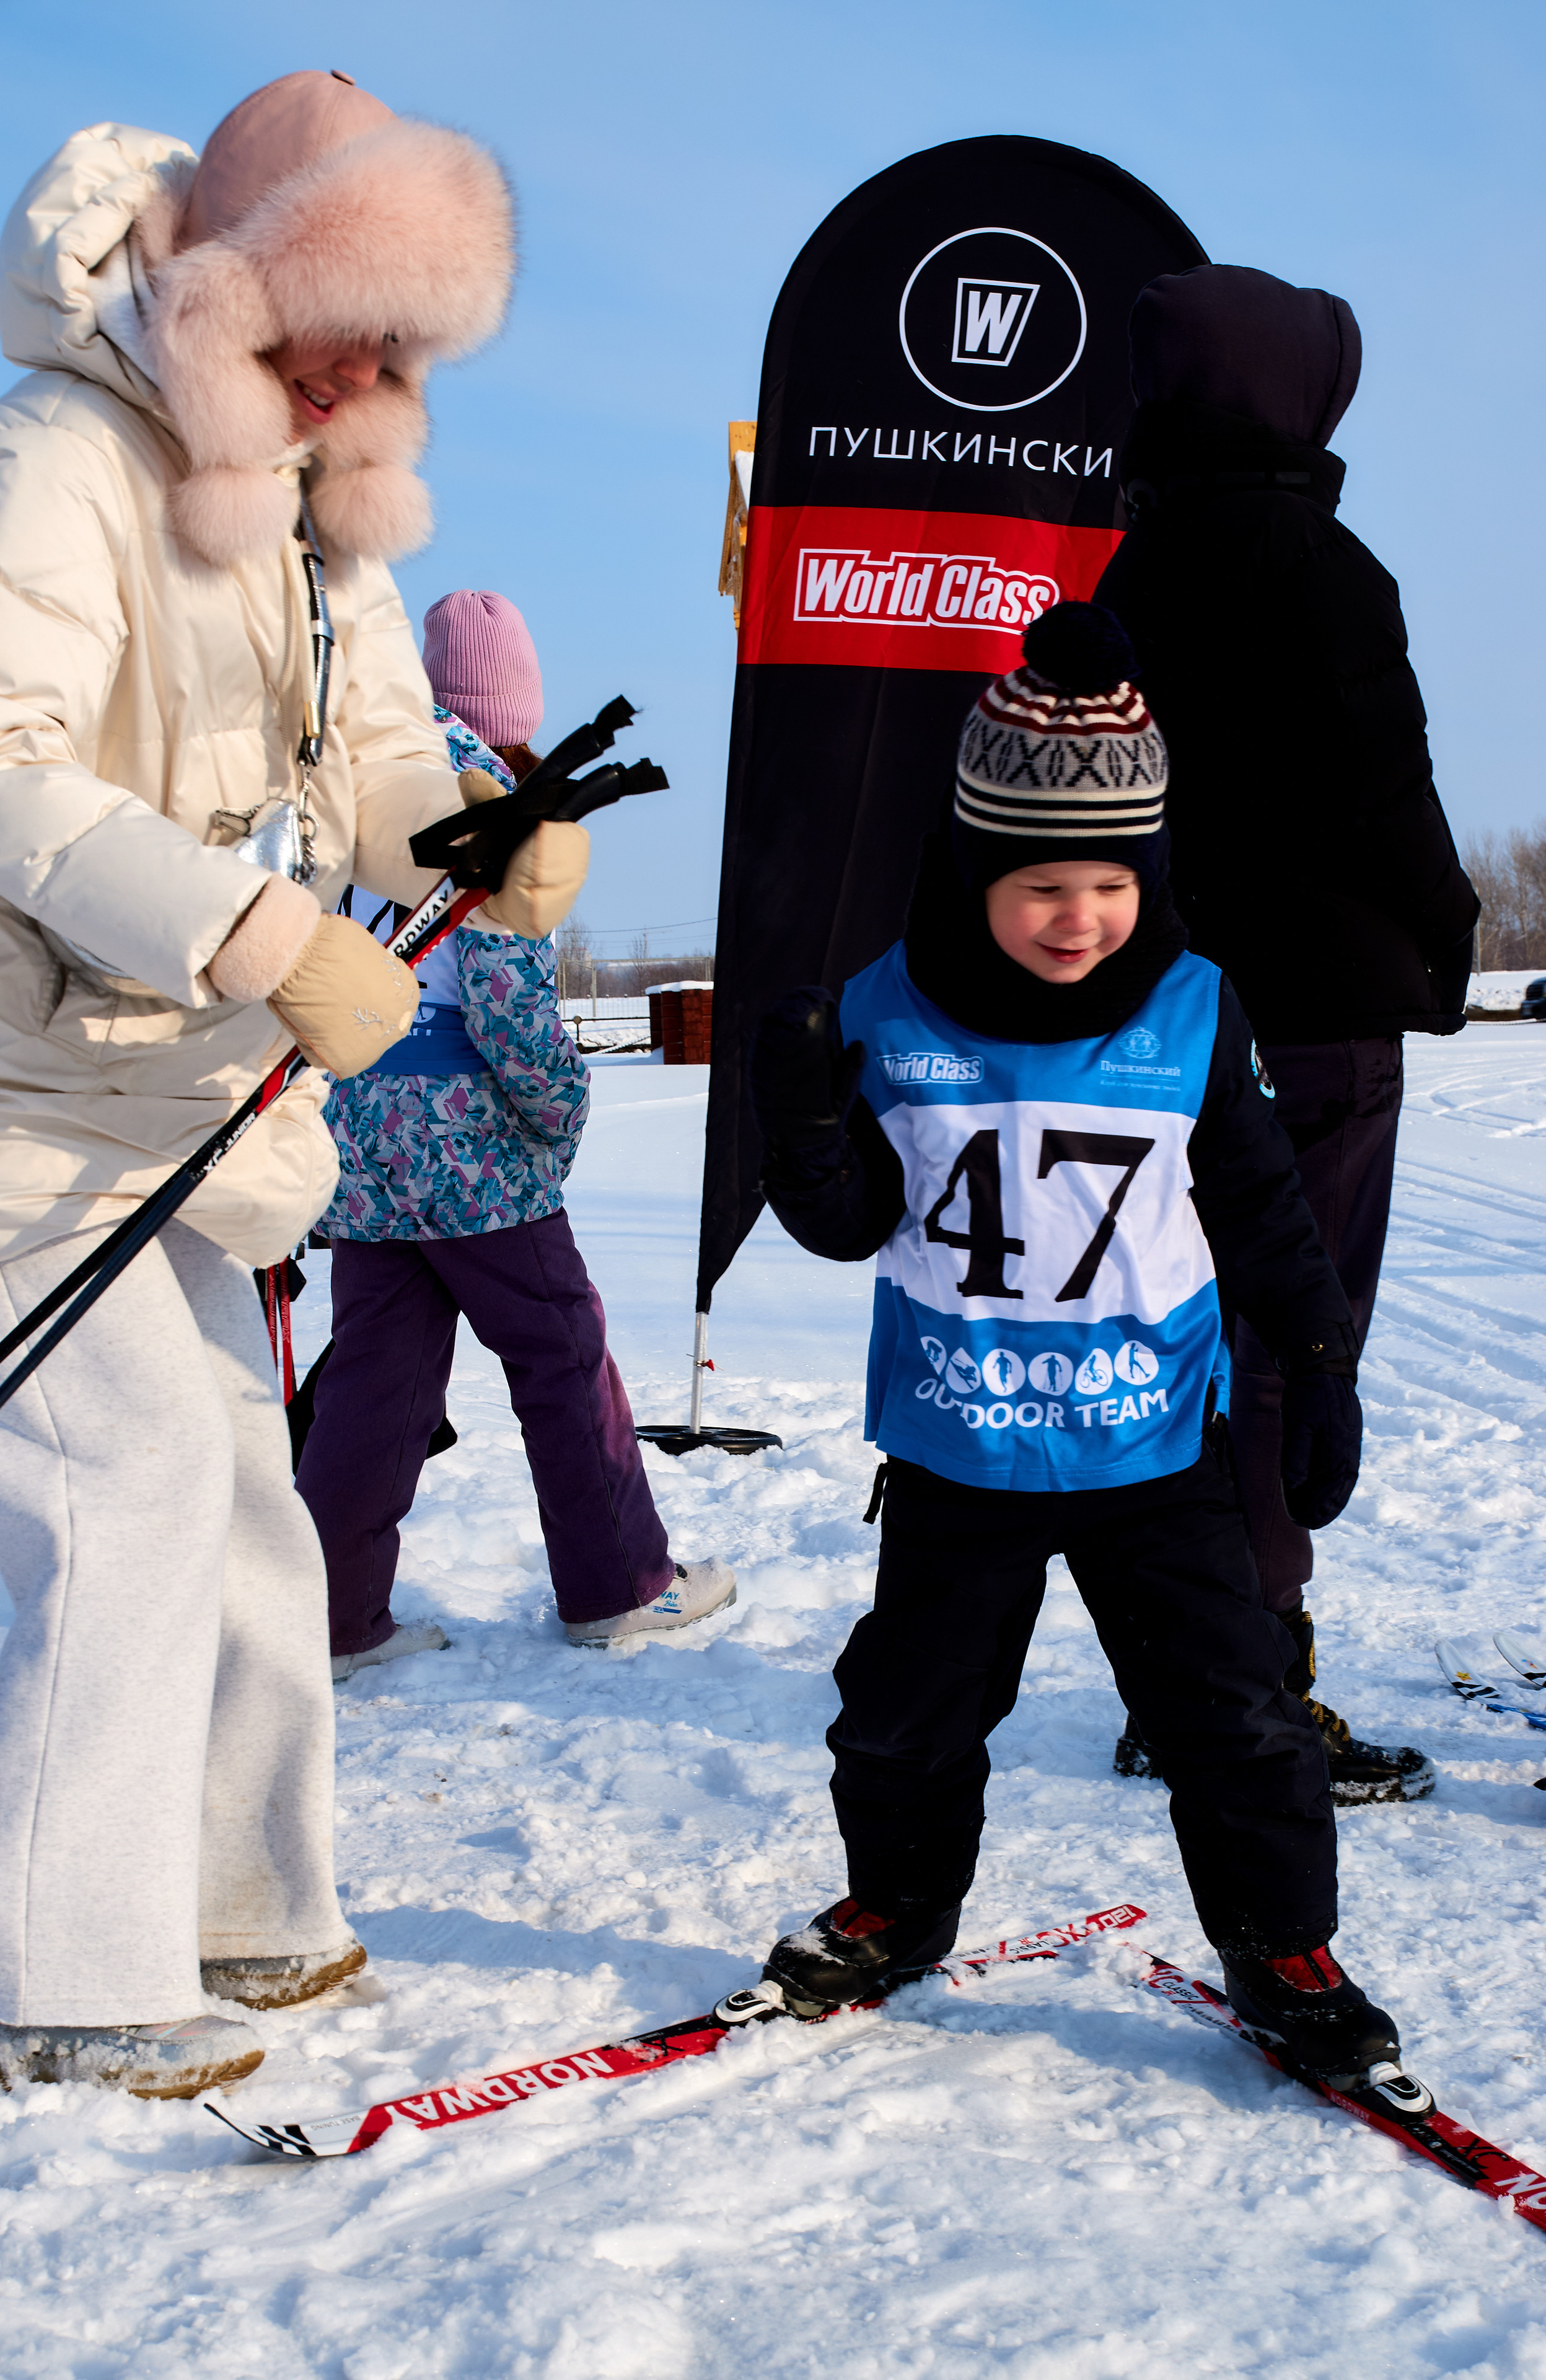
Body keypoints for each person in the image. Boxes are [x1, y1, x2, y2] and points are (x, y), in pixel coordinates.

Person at [0, 71, 570, 2096]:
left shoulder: (328, 516)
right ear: (234, 292)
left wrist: (473, 841)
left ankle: (237, 1905)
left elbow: (382, 765)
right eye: (351, 324)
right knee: (122, 1489)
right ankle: (57, 1977)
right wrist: (254, 936)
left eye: (406, 339)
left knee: (242, 1506)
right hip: (2, 1105)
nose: (377, 374)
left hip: (179, 1118)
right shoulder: (59, 456)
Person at [740, 601, 1430, 2107]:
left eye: (1111, 881)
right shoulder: (888, 1009)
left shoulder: (1190, 1011)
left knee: (1233, 1717)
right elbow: (846, 1222)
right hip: (953, 1450)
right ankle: (898, 1905)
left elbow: (1259, 1208)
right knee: (905, 1714)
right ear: (978, 868)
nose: (1077, 916)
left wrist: (1317, 1356)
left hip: (1150, 1450)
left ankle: (1280, 1947)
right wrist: (799, 1113)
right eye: (1042, 882)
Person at [1092, 265, 1478, 1806]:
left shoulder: (1128, 569)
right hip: (1311, 1029)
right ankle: (1239, 1689)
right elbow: (1385, 786)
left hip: (1164, 1019)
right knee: (1286, 1345)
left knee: (1189, 1343)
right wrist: (1444, 937)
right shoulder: (1320, 565)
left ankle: (1187, 1672)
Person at [297, 588, 736, 1658]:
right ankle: (620, 1587)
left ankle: (330, 1620)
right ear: (514, 703)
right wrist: (559, 1110)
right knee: (561, 1358)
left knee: (374, 1377)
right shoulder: (486, 793)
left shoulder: (351, 782)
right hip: (474, 1153)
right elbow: (505, 995)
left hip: (358, 1134)